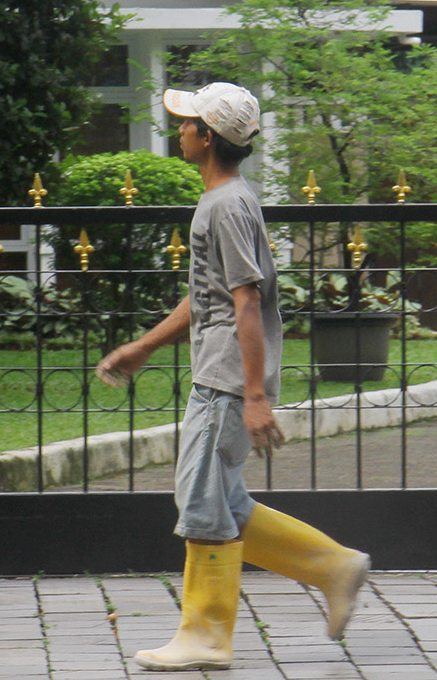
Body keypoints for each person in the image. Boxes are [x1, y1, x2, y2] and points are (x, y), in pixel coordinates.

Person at [96, 82, 370, 672]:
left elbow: (246, 303)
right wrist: (144, 347)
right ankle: (334, 566)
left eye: (189, 122)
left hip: (225, 381)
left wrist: (251, 395)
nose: (180, 130)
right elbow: (210, 296)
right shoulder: (230, 199)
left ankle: (206, 635)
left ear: (209, 137)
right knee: (222, 499)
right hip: (223, 375)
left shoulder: (224, 205)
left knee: (201, 499)